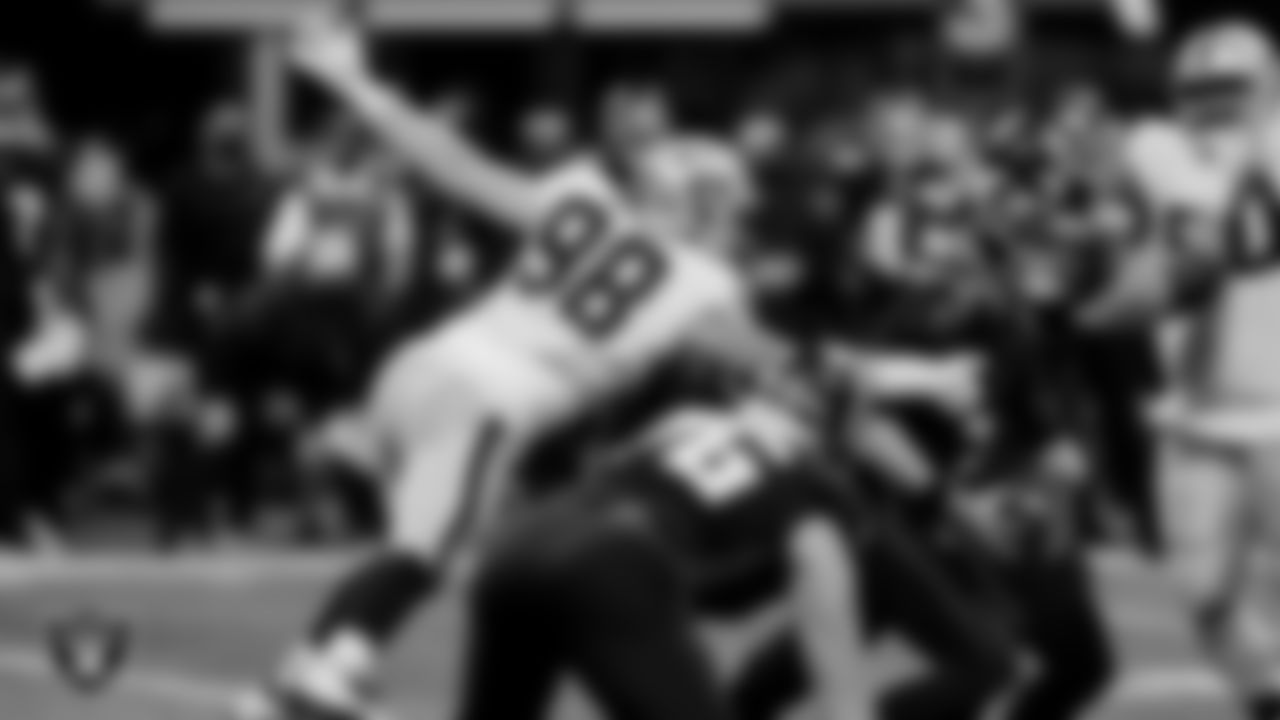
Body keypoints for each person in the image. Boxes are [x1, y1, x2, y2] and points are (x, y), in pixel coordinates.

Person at [235, 13, 792, 720]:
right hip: (487, 403)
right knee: (424, 552)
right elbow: (777, 363)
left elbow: (454, 164)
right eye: (729, 207)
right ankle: (324, 680)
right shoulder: (707, 285)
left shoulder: (580, 204)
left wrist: (354, 82)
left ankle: (310, 677)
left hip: (418, 367)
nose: (737, 223)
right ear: (703, 205)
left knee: (415, 552)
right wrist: (897, 374)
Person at [458, 390, 1015, 720]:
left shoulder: (687, 423)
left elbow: (608, 467)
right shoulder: (817, 494)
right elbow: (827, 630)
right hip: (613, 564)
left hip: (521, 544)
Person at [1087, 18, 1280, 720]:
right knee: (1199, 595)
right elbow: (1176, 257)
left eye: (1230, 85)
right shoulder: (1159, 148)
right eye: (1200, 87)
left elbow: (1189, 264)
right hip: (1196, 413)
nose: (1215, 101)